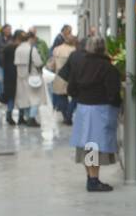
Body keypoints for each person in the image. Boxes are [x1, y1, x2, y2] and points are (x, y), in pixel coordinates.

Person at [61, 34, 121, 192]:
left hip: (82, 108)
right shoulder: (108, 67)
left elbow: (71, 89)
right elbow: (114, 92)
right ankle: (93, 181)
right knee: (94, 145)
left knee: (87, 145)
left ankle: (90, 177)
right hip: (100, 109)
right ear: (104, 49)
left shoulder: (80, 64)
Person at [12, 30, 45, 127]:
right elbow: (38, 62)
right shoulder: (32, 49)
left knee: (24, 99)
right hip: (33, 76)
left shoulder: (18, 49)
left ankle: (28, 117)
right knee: (35, 98)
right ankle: (31, 117)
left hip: (21, 77)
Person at [47, 32, 78, 126]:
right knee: (75, 97)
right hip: (73, 77)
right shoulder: (74, 51)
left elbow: (51, 64)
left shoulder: (56, 49)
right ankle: (69, 114)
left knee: (62, 97)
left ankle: (66, 116)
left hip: (59, 76)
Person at [1, 30, 21, 124]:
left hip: (8, 75)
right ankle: (21, 116)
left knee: (11, 97)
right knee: (20, 96)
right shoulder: (18, 49)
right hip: (18, 74)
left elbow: (2, 61)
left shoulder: (6, 48)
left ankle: (9, 114)